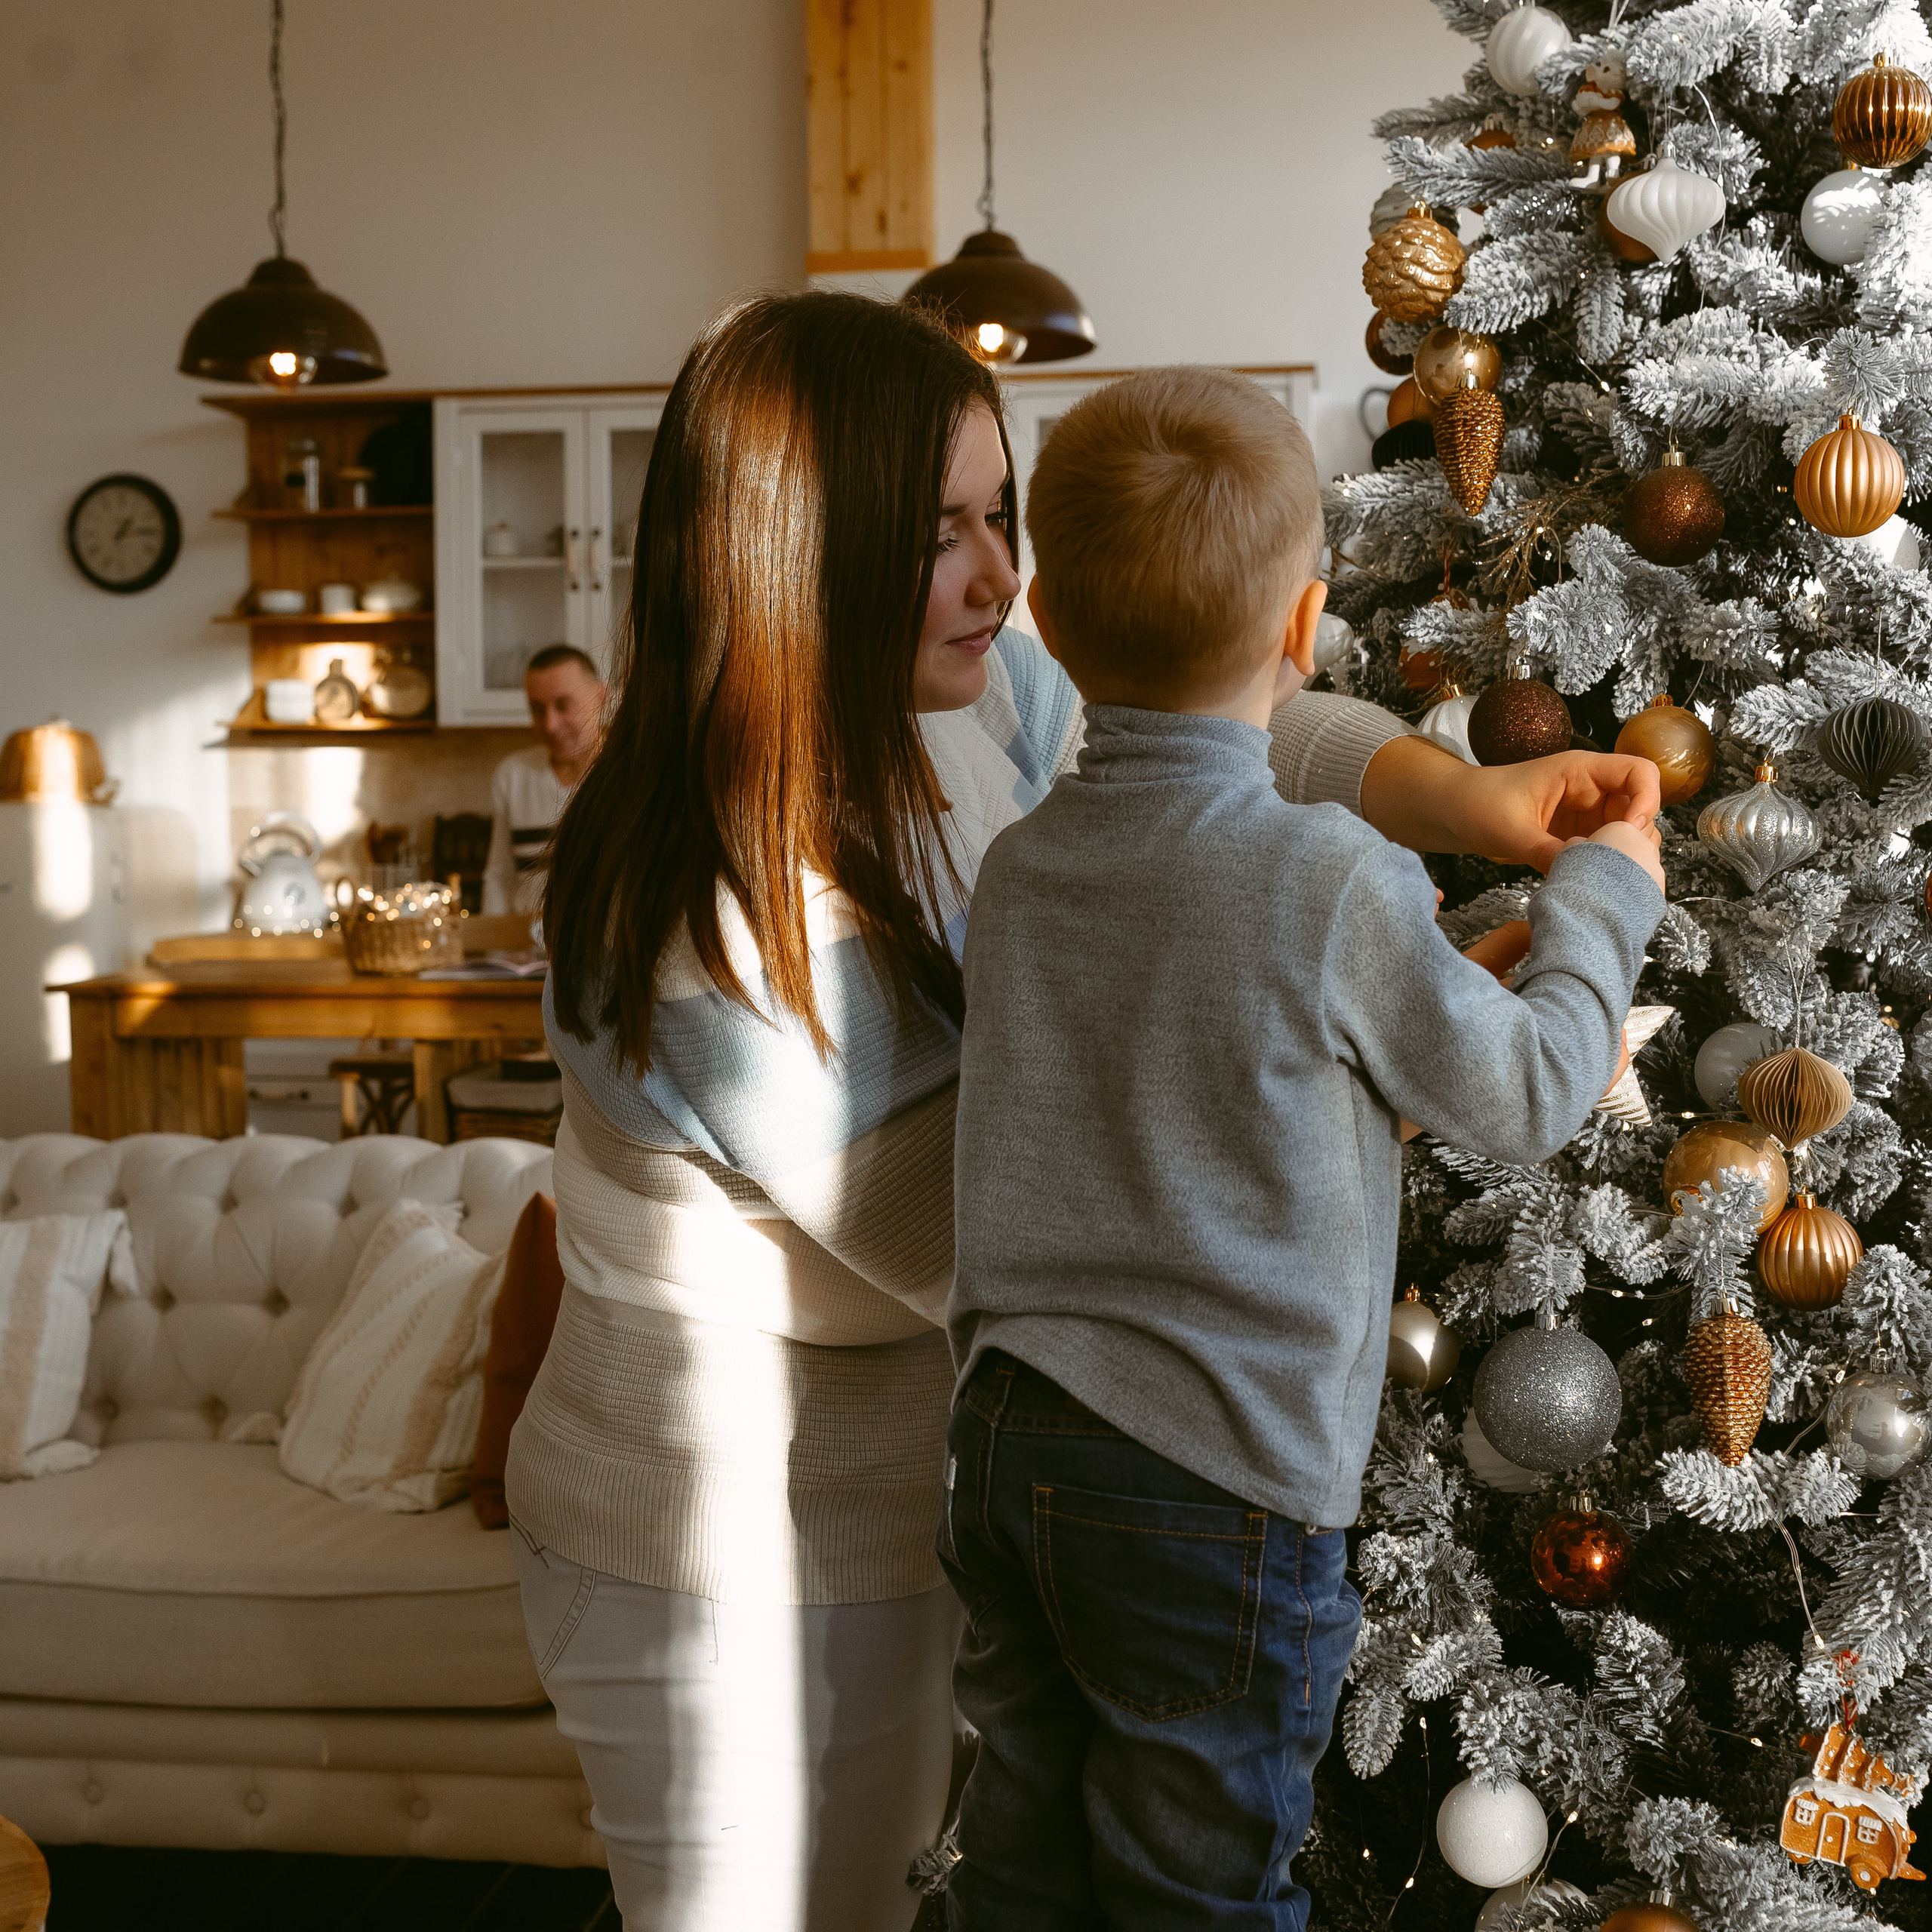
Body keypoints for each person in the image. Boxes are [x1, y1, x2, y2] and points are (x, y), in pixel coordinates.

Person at [506, 291, 1663, 1932]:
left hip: (987, 1477)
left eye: (1002, 517)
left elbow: (1240, 711)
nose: (1000, 581)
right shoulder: (722, 915)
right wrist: (1400, 1031)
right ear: (798, 557)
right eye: (942, 536)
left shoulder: (977, 707)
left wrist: (1457, 794)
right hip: (724, 1540)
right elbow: (1032, 1196)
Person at [940, 367, 1668, 1929]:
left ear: (1048, 623)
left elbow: (1173, 1078)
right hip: (1207, 1471)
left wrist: (1374, 1040)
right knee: (1196, 1887)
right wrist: (1603, 894)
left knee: (1021, 1867)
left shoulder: (1023, 865)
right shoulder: (1327, 878)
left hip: (1006, 1441)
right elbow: (1530, 1090)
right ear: (1303, 621)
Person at [481, 643, 608, 916]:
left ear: (600, 698)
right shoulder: (512, 775)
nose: (550, 724)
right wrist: (495, 955)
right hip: (527, 950)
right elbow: (500, 877)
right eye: (537, 709)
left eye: (563, 705)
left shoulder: (629, 772)